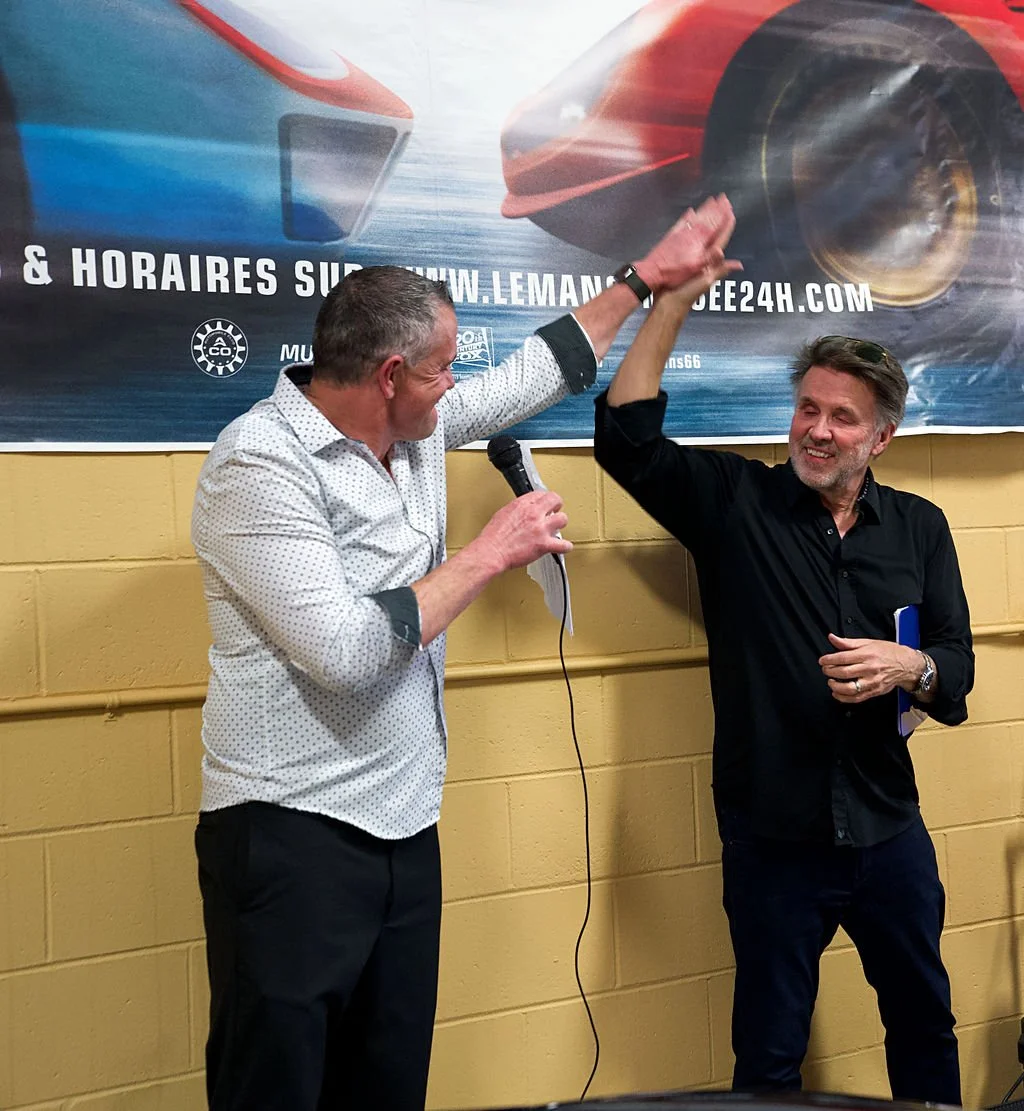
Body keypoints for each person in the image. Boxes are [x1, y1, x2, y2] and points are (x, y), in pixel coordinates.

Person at [190, 194, 735, 1111]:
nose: (457, 386)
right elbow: (350, 650)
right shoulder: (259, 464)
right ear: (391, 373)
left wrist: (648, 276)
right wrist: (491, 552)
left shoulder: (417, 429)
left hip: (404, 823)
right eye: (444, 371)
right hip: (292, 829)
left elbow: (533, 374)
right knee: (276, 1087)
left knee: (388, 1083)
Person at [593, 249, 974, 1104]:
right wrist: (672, 301)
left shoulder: (920, 527)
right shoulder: (738, 504)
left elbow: (957, 668)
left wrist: (911, 666)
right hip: (775, 844)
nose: (818, 429)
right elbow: (626, 439)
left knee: (924, 1024)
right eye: (808, 408)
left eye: (843, 417)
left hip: (888, 832)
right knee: (767, 1058)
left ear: (881, 436)